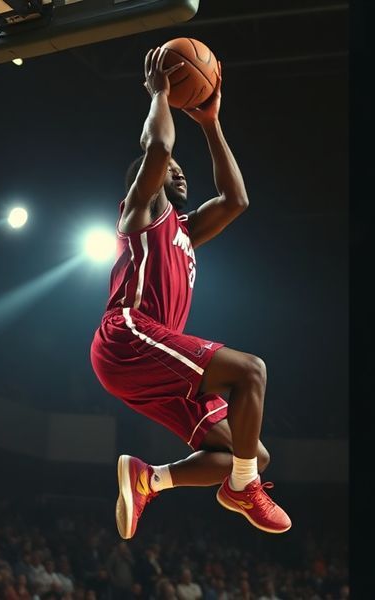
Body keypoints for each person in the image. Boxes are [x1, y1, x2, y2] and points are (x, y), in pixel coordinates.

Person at [90, 46, 291, 539]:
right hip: (129, 335)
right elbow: (157, 151)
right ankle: (245, 489)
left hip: (152, 357)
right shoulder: (141, 212)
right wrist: (160, 95)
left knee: (250, 452)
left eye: (182, 168)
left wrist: (210, 123)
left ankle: (150, 479)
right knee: (251, 371)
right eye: (171, 169)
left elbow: (236, 200)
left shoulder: (184, 227)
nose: (180, 171)